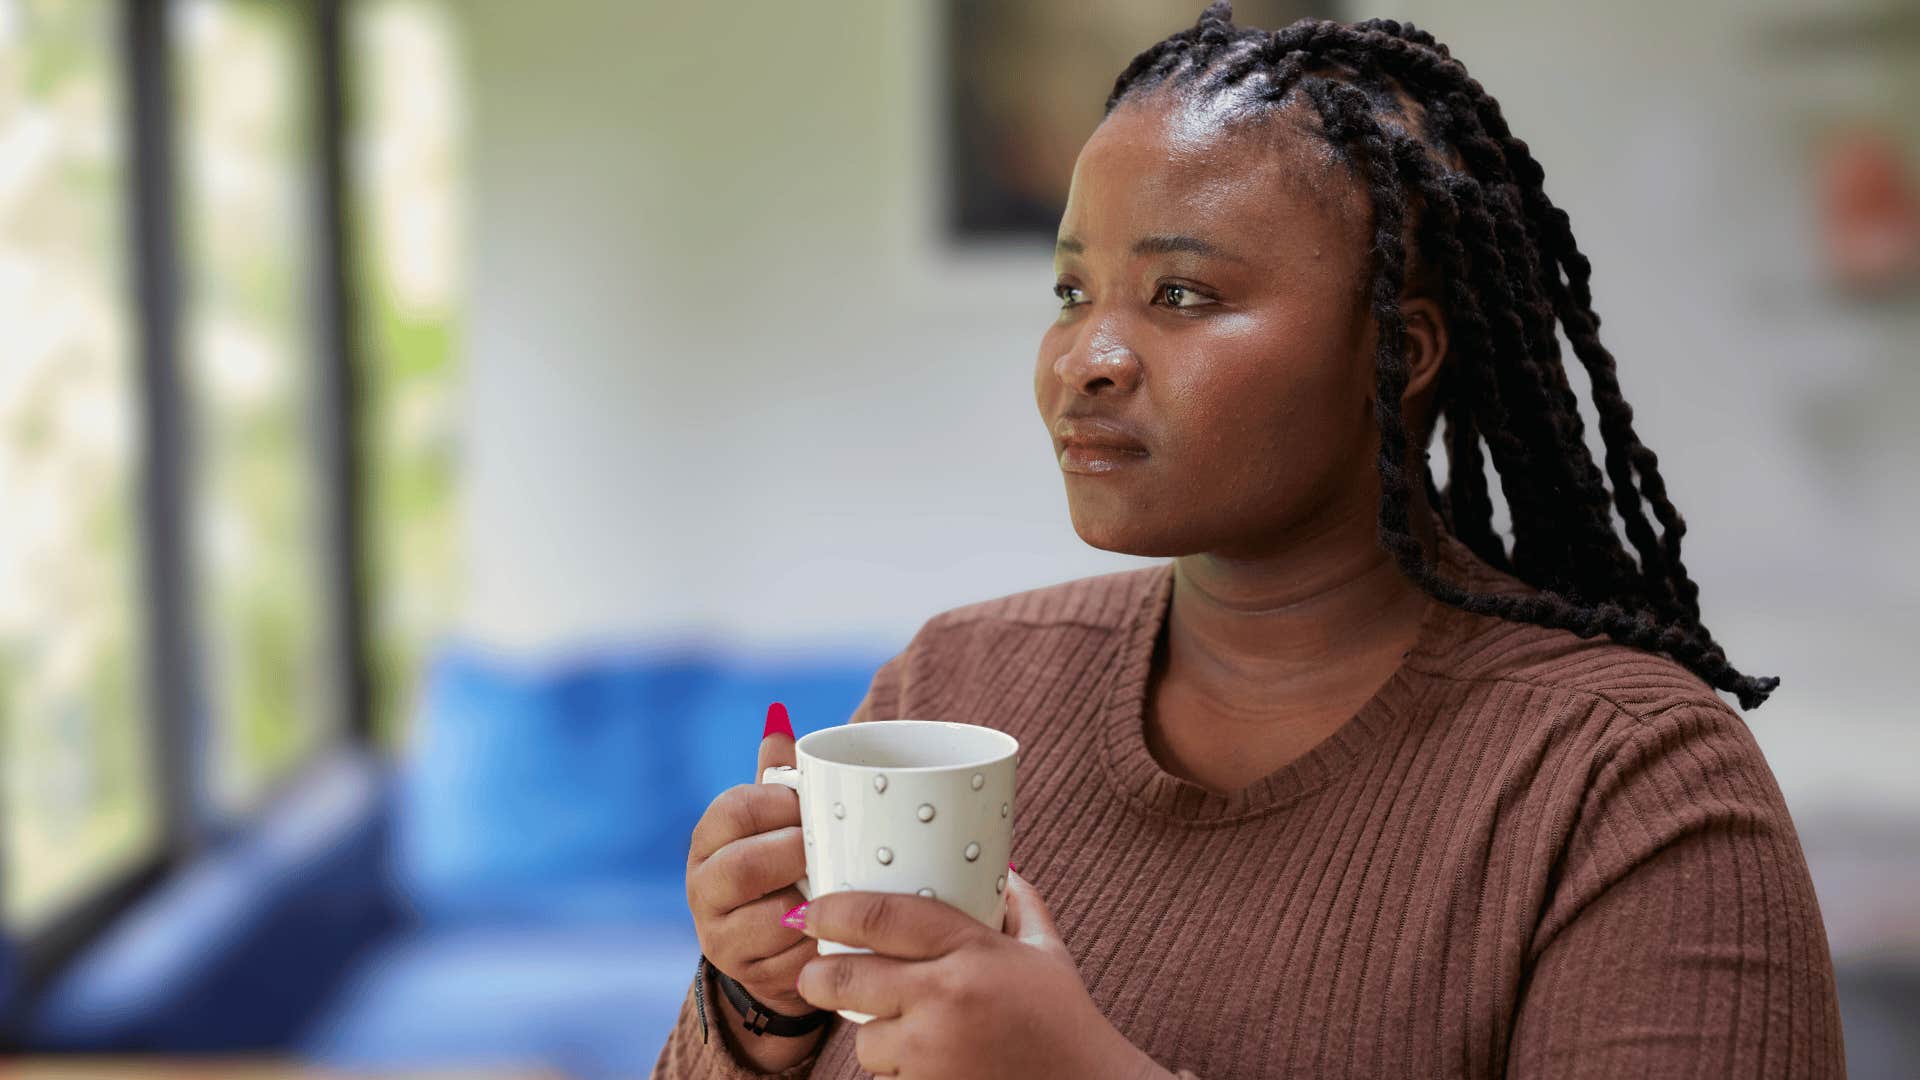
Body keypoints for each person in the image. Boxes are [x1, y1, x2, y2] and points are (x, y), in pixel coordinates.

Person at [653, 4, 1843, 1077]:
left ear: (1403, 351)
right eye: (1073, 293)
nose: (1088, 358)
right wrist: (765, 1008)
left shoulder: (1627, 784)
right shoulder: (956, 681)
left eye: (1181, 297)